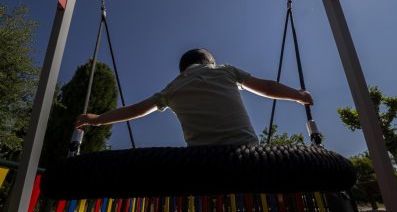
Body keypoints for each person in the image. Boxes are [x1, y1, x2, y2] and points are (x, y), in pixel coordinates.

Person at [75, 48, 313, 146]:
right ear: (211, 62)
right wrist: (298, 95)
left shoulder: (172, 88)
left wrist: (96, 119)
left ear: (183, 70)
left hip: (202, 163)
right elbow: (266, 87)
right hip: (247, 152)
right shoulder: (226, 71)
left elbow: (135, 110)